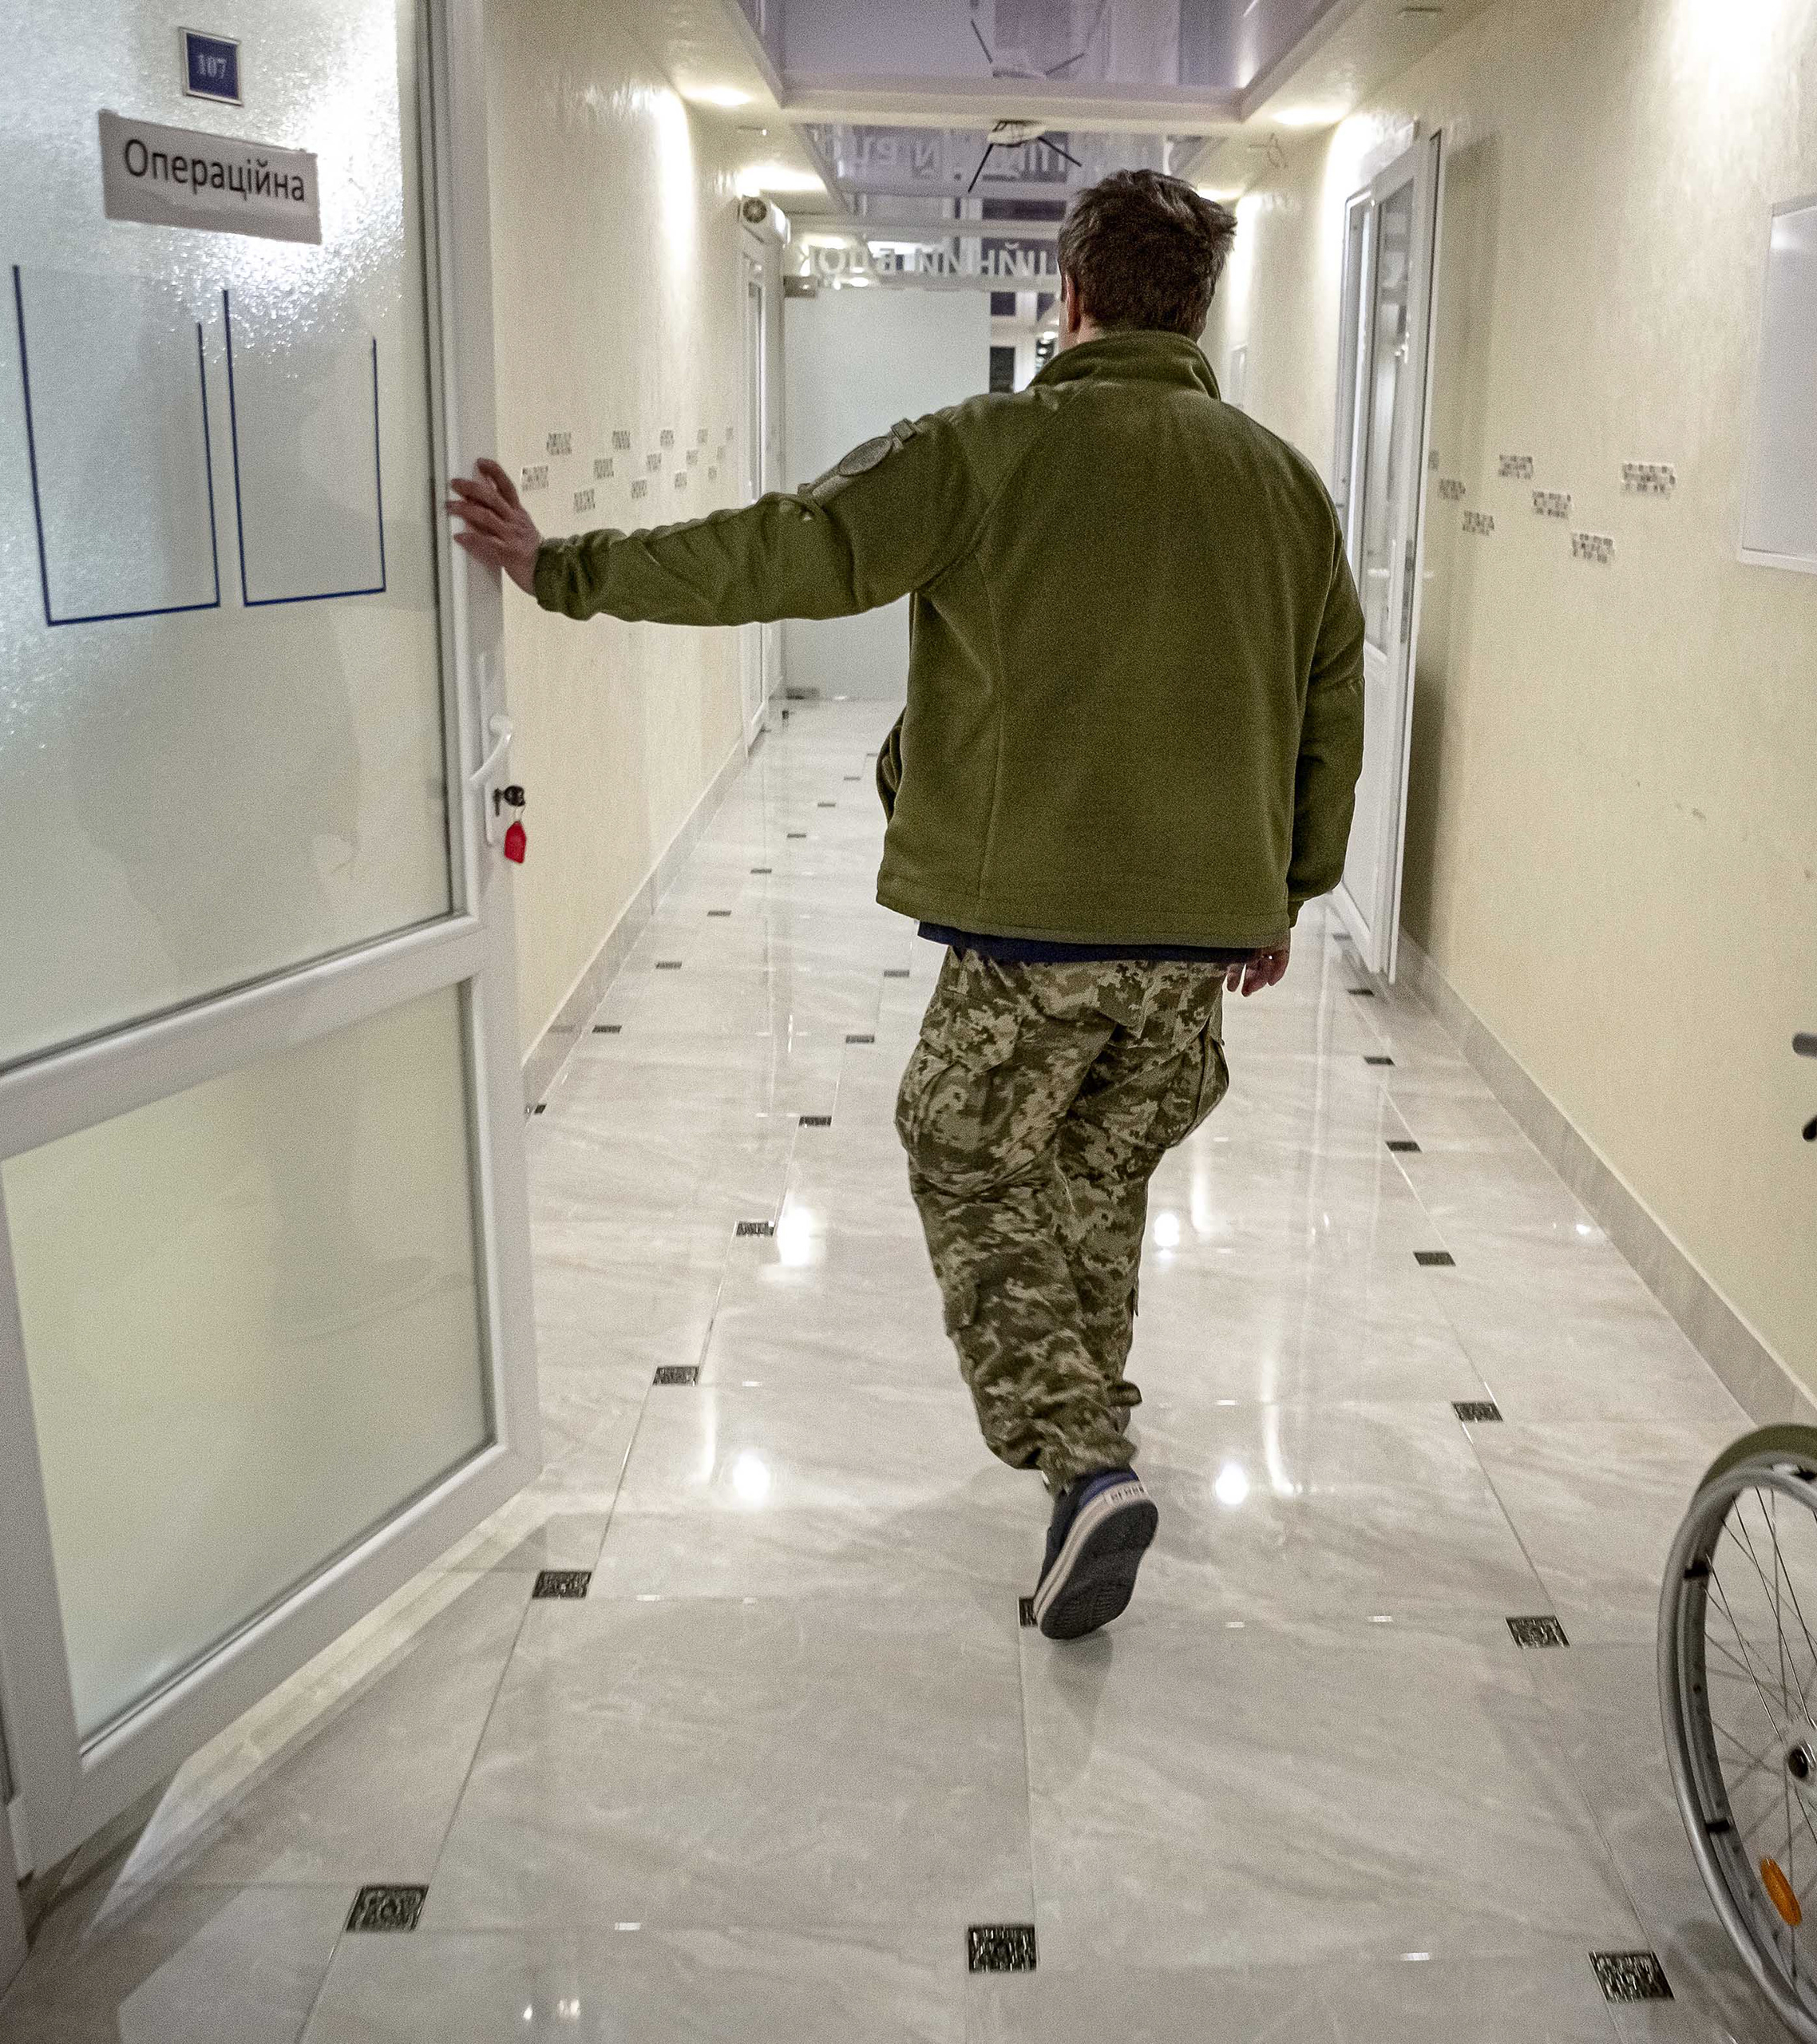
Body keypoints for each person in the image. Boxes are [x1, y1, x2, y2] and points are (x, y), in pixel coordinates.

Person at [444, 168, 1363, 1642]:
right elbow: (1332, 699)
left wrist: (562, 569)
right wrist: (1292, 891)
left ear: (1071, 293)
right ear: (1197, 307)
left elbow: (785, 550)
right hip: (1204, 933)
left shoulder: (985, 450)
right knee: (1091, 1178)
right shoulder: (1286, 485)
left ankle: (1082, 1465)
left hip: (1036, 920)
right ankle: (1096, 1425)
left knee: (965, 1148)